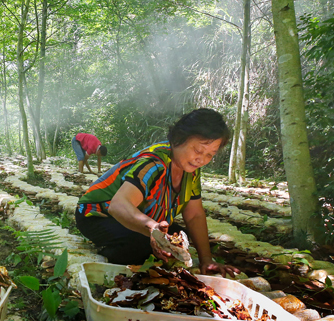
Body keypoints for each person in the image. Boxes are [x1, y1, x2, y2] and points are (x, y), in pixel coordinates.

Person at [75, 108, 239, 276]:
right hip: (97, 215)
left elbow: (195, 215)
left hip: (140, 216)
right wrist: (153, 229)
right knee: (143, 245)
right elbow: (118, 205)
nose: (202, 159)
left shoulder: (191, 170)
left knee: (182, 238)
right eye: (197, 150)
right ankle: (106, 252)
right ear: (178, 139)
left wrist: (207, 260)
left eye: (210, 155)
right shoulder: (153, 163)